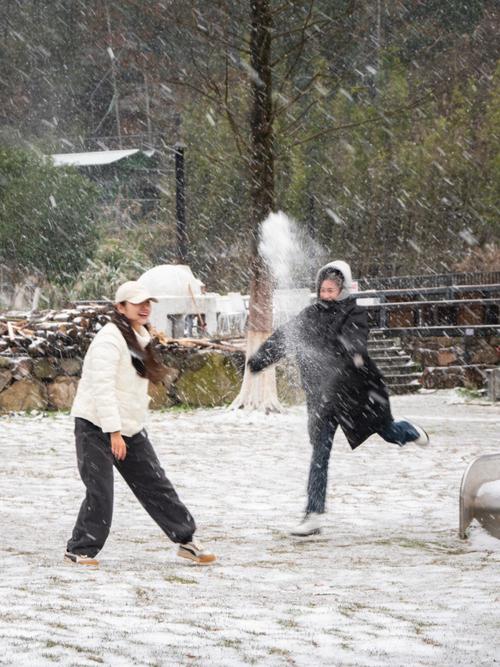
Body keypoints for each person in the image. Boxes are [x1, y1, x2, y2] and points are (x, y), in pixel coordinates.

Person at [248, 260, 429, 537]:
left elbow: (355, 341)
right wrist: (260, 359)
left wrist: (348, 352)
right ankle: (313, 514)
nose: (326, 294)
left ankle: (408, 431)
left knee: (387, 431)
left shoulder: (353, 313)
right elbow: (285, 337)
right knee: (319, 454)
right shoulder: (309, 315)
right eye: (323, 289)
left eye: (332, 289)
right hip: (322, 399)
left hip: (355, 394)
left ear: (343, 289)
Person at [65, 280, 216, 567]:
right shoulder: (109, 340)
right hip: (97, 425)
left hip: (129, 427)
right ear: (120, 308)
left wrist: (127, 428)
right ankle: (80, 548)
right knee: (101, 491)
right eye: (137, 303)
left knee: (156, 484)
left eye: (148, 302)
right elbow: (103, 389)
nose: (145, 307)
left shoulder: (139, 336)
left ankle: (186, 539)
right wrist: (114, 433)